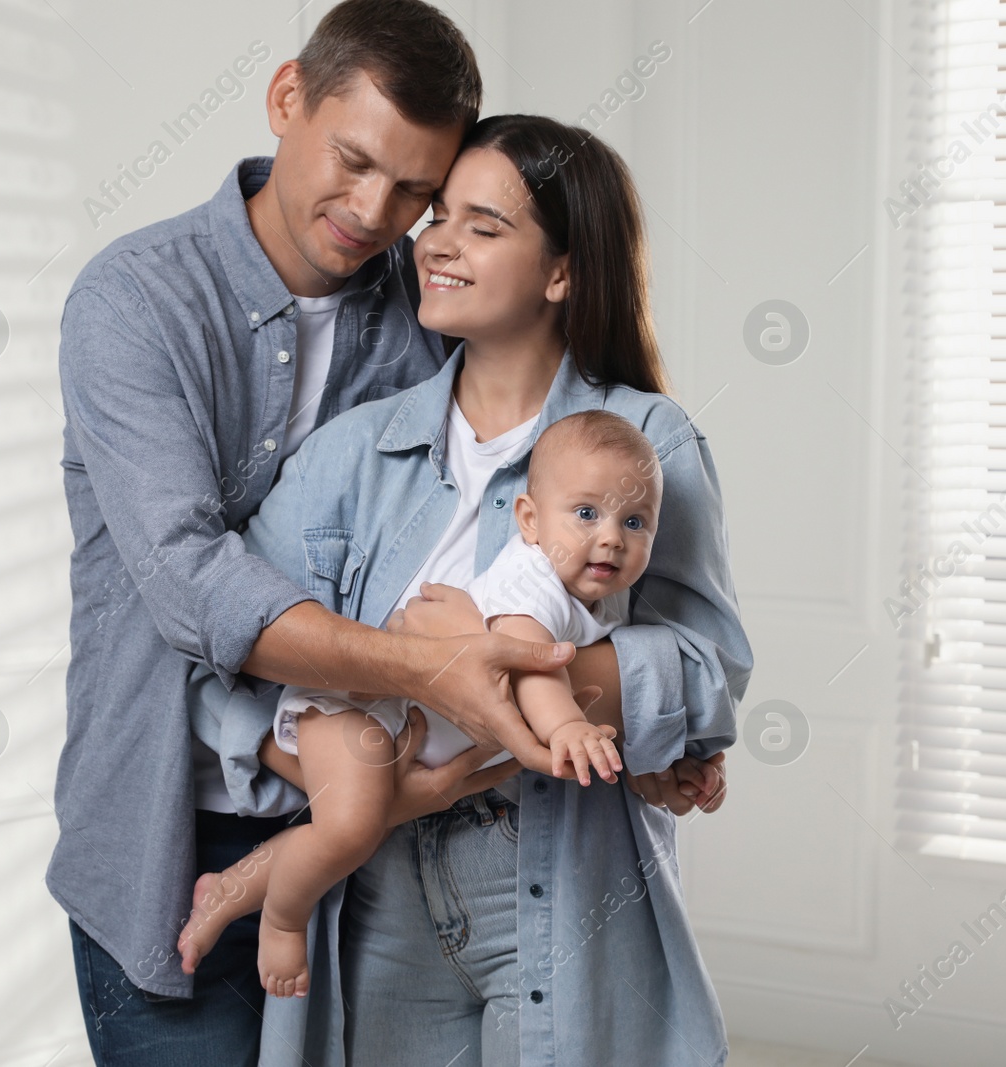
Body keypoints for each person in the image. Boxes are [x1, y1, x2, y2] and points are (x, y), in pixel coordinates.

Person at [51, 4, 580, 1064]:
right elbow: (194, 584)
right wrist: (440, 667)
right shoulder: (134, 299)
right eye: (353, 160)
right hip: (169, 832)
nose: (375, 210)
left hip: (385, 839)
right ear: (287, 97)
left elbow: (531, 502)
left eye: (415, 192)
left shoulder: (427, 317)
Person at [191, 114, 753, 1067]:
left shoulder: (647, 442)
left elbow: (708, 671)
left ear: (562, 272)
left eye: (482, 226)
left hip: (561, 879)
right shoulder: (347, 453)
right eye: (437, 217)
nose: (435, 243)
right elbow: (226, 654)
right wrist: (354, 783)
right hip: (377, 890)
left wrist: (513, 671)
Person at [178, 409, 667, 997]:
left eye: (634, 521)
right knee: (353, 828)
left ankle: (230, 890)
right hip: (354, 712)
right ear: (530, 521)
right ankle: (282, 922)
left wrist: (672, 762)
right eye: (586, 513)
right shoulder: (533, 578)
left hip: (400, 735)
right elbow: (531, 661)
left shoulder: (606, 598)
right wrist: (565, 726)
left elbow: (635, 679)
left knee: (353, 823)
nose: (611, 536)